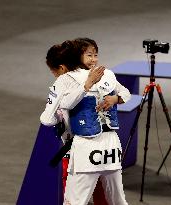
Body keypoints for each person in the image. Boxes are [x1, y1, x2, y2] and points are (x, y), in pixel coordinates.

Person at [41, 39, 131, 205]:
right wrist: (116, 99)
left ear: (61, 67)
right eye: (89, 55)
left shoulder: (65, 80)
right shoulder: (107, 74)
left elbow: (48, 119)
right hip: (111, 147)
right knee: (115, 200)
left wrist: (60, 117)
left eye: (95, 55)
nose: (93, 59)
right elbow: (125, 93)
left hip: (81, 148)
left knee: (74, 201)